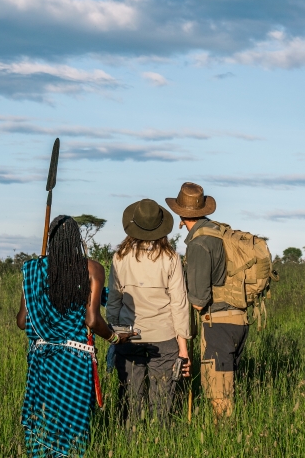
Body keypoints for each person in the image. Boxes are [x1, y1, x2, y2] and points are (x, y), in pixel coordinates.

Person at [16, 215, 114, 458]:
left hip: (42, 358)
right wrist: (114, 338)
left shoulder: (32, 270)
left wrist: (43, 314)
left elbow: (22, 320)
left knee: (45, 419)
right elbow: (92, 320)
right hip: (74, 359)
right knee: (74, 420)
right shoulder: (92, 269)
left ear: (50, 241)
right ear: (77, 240)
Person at [106, 199, 191, 425]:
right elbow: (180, 304)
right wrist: (183, 349)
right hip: (164, 337)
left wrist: (114, 337)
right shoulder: (171, 258)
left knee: (130, 400)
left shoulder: (120, 257)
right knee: (163, 402)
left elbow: (113, 300)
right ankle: (161, 446)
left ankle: (129, 446)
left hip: (127, 336)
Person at [166, 182, 247, 419]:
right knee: (227, 388)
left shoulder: (199, 243)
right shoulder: (217, 231)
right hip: (238, 319)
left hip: (218, 324)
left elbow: (199, 301)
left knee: (218, 393)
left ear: (181, 215)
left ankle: (223, 443)